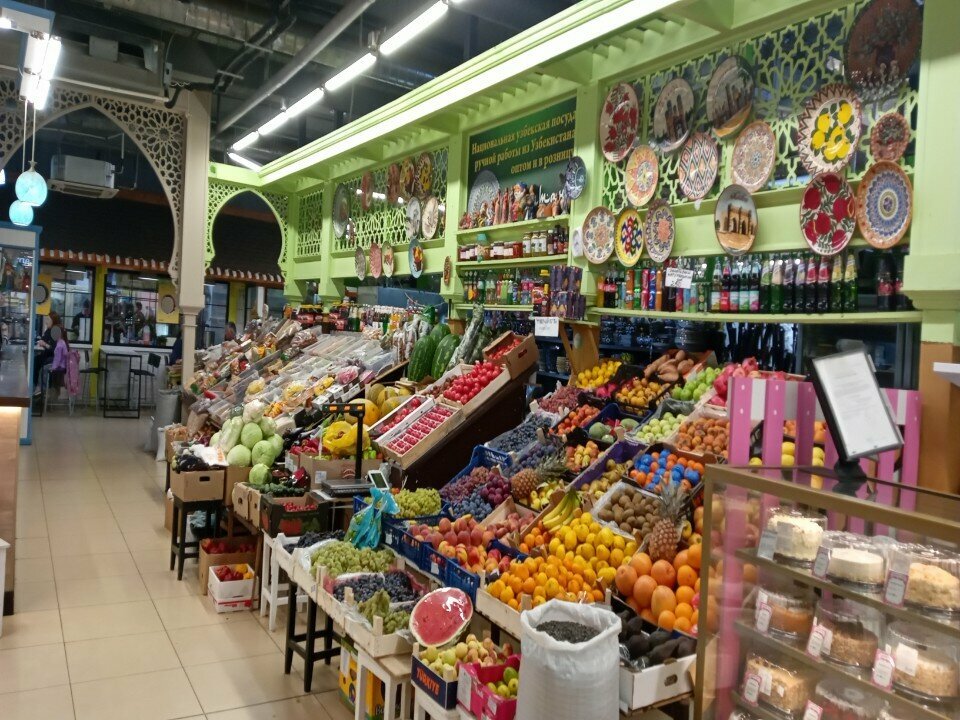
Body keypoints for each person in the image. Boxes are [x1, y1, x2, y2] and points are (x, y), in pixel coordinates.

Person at [34, 311, 62, 391]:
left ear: (54, 320)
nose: (46, 322)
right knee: (36, 360)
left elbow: (55, 350)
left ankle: (42, 390)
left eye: (48, 320)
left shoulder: (56, 330)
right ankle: (36, 387)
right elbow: (44, 339)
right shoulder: (49, 330)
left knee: (38, 362)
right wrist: (41, 341)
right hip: (49, 355)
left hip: (55, 358)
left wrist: (45, 344)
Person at [48, 326, 69, 398]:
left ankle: (51, 394)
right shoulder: (62, 342)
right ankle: (55, 393)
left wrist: (53, 368)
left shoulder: (59, 345)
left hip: (59, 367)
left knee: (45, 369)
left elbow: (57, 359)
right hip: (63, 366)